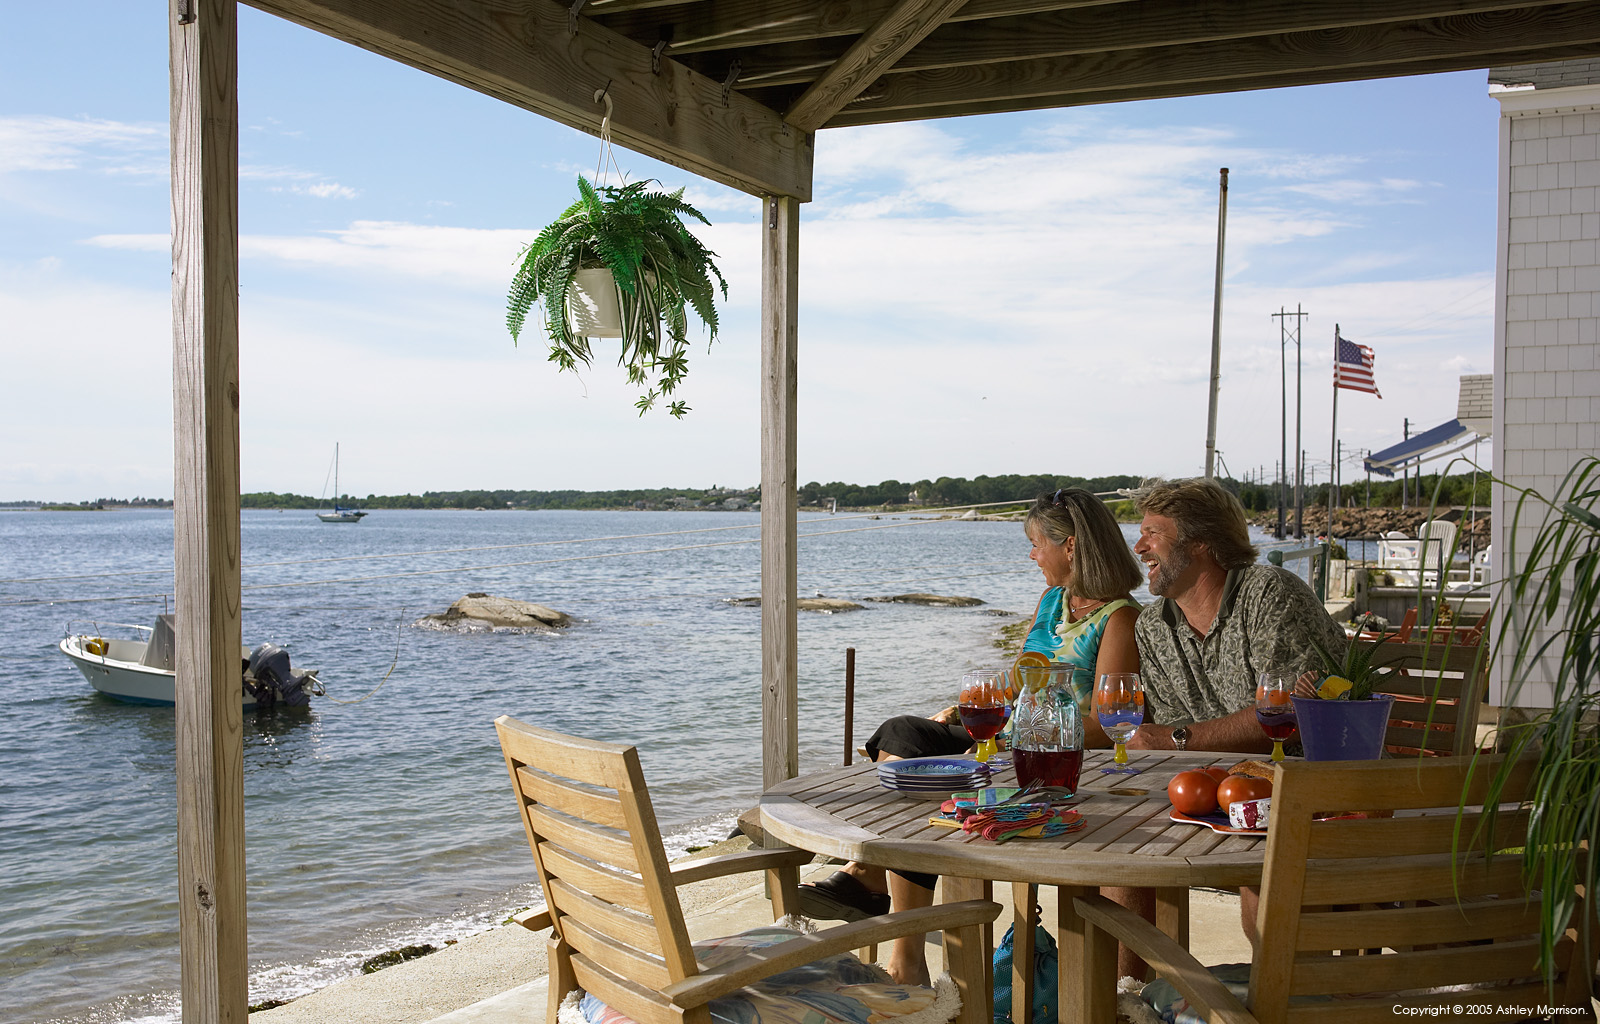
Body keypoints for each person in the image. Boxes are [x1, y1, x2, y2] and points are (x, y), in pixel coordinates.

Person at [798, 488, 1145, 985]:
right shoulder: (1052, 601)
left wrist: (1011, 736)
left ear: (1069, 546)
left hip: (1057, 756)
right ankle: (880, 893)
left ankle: (897, 942)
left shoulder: (1119, 618)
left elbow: (1108, 722)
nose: (1031, 554)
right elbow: (1021, 679)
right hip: (1009, 737)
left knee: (941, 767)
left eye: (1035, 543)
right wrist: (968, 709)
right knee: (903, 733)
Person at [1122, 476, 1347, 946]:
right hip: (1221, 797)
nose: (1139, 546)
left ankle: (1284, 997)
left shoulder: (1269, 595)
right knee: (1120, 851)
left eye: (1153, 533)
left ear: (1201, 542)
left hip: (1314, 790)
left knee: (1267, 863)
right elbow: (1180, 739)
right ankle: (1135, 1002)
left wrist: (1176, 738)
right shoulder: (1153, 626)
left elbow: (1289, 720)